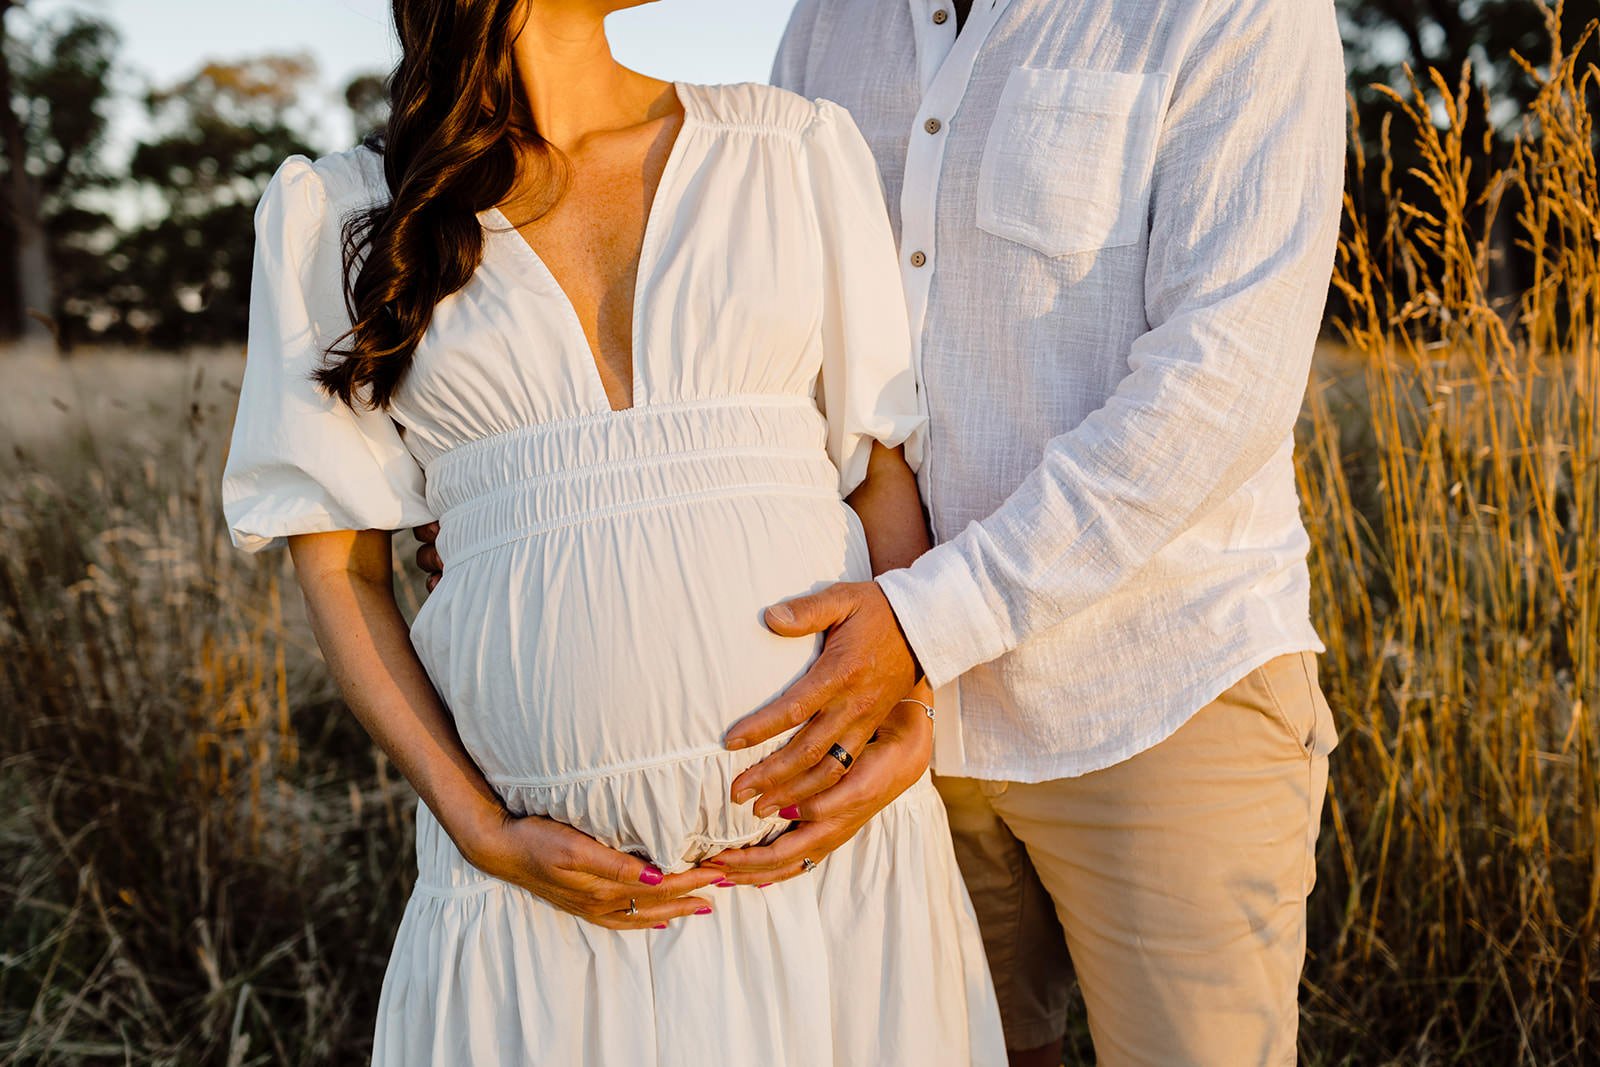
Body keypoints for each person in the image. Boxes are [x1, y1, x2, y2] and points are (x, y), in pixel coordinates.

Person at [220, 1, 1005, 1063]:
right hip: (546, 906)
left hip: (827, 862)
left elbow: (876, 470)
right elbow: (342, 566)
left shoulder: (788, 150)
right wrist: (478, 828)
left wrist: (908, 699)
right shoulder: (348, 214)